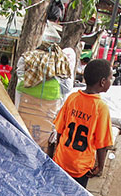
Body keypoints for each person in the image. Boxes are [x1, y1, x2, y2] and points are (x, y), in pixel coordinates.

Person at [46, 58, 113, 188]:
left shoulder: (72, 98)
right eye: (111, 78)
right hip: (80, 167)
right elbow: (102, 145)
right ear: (103, 82)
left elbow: (60, 130)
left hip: (61, 160)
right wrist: (100, 167)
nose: (111, 81)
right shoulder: (101, 108)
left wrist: (58, 152)